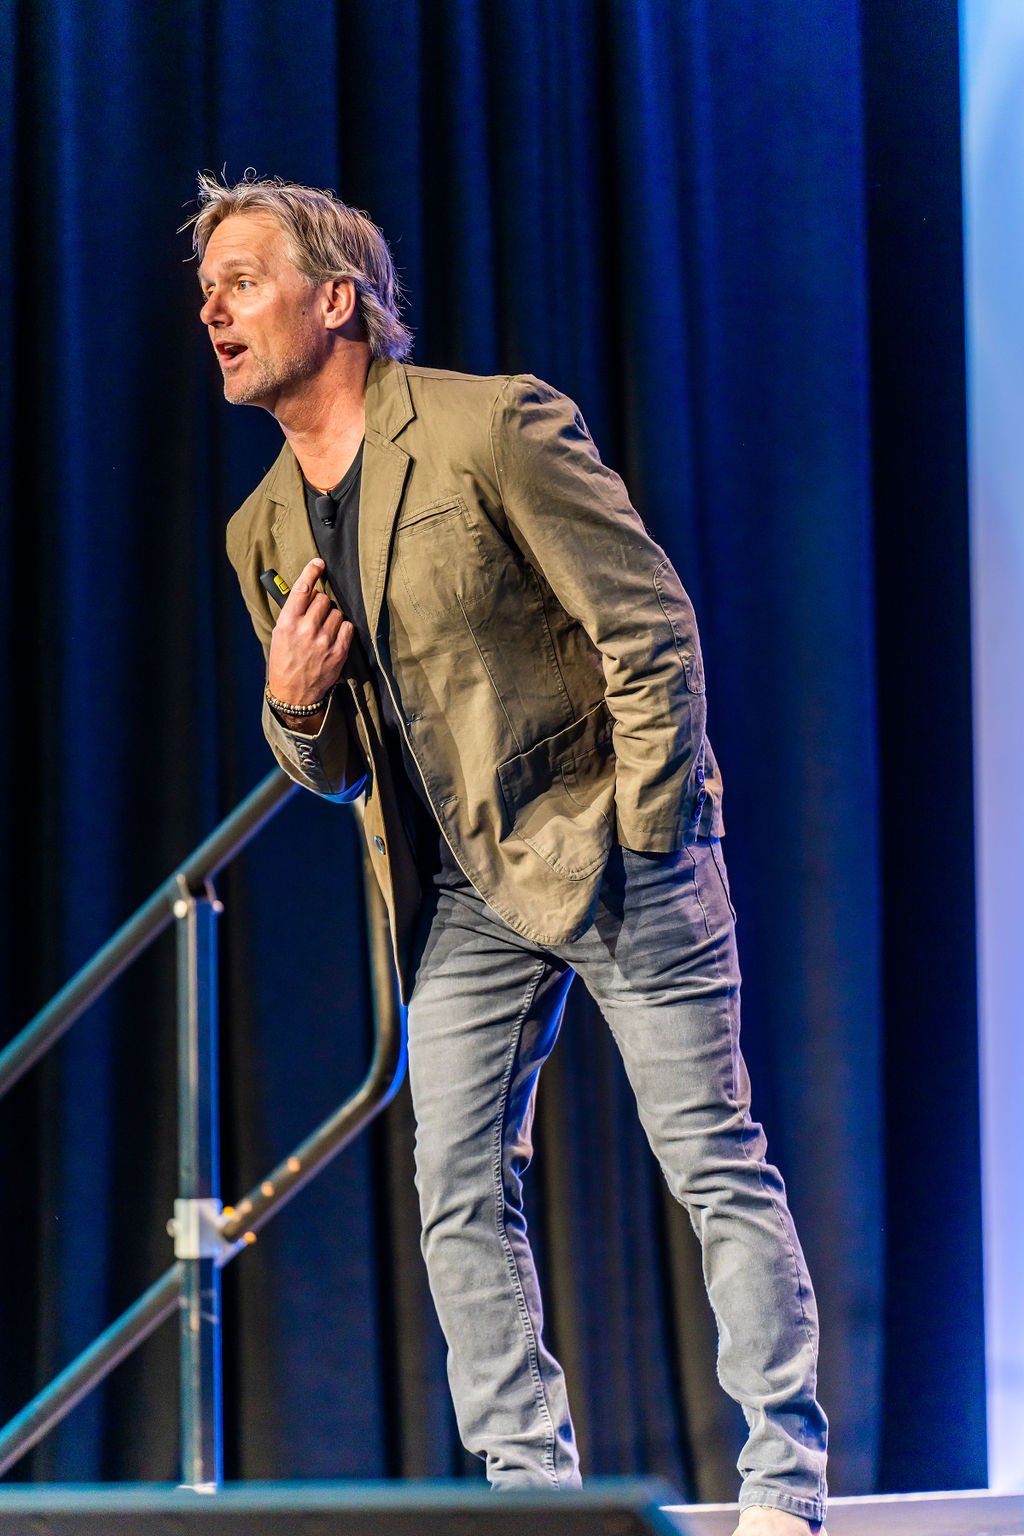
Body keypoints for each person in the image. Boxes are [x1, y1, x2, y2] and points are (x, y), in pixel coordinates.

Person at [189, 171, 829, 1535]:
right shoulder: (261, 531)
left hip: (611, 840)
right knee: (457, 1194)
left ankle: (784, 1484)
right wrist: (292, 706)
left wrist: (652, 828)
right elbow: (334, 765)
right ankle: (529, 1502)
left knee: (712, 1159)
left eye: (241, 281)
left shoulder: (492, 425)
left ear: (336, 299)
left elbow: (647, 626)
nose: (214, 312)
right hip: (462, 896)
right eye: (207, 293)